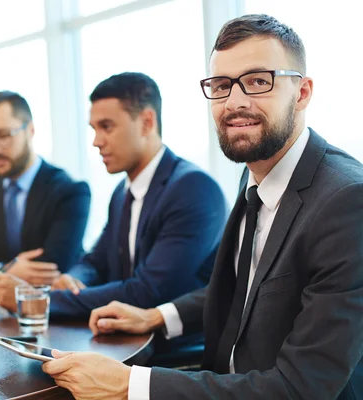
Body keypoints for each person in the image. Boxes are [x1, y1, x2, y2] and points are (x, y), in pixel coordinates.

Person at [41, 14, 363, 400]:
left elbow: (301, 388)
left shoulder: (347, 201)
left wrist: (131, 386)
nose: (235, 102)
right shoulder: (258, 174)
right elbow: (245, 290)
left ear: (303, 92)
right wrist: (158, 316)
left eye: (259, 81)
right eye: (222, 85)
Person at [0, 73, 227, 324]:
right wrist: (75, 279)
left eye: (106, 127)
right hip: (123, 335)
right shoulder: (122, 192)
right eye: (94, 129)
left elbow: (148, 291)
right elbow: (95, 261)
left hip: (176, 351)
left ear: (146, 122)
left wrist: (37, 300)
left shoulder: (193, 189)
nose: (96, 141)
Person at [0, 91, 91, 287]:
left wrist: (1, 272)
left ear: (30, 130)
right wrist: (4, 270)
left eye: (4, 135)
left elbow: (53, 267)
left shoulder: (70, 191)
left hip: (49, 306)